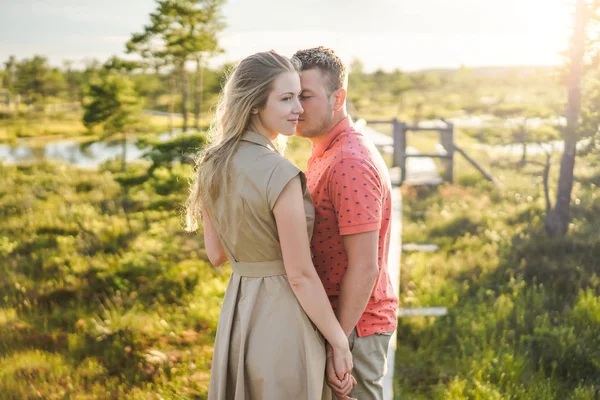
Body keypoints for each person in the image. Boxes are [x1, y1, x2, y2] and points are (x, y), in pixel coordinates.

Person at [185, 50, 356, 399]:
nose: (299, 109)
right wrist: (339, 341)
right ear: (254, 104)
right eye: (286, 98)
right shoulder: (281, 173)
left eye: (299, 96)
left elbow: (216, 254)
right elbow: (300, 274)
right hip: (285, 316)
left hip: (239, 312)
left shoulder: (212, 165)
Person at [293, 46, 399, 400]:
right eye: (291, 96)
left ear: (338, 97)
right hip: (338, 325)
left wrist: (338, 341)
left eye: (306, 96)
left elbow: (365, 266)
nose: (296, 107)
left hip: (355, 328)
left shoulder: (349, 161)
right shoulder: (325, 149)